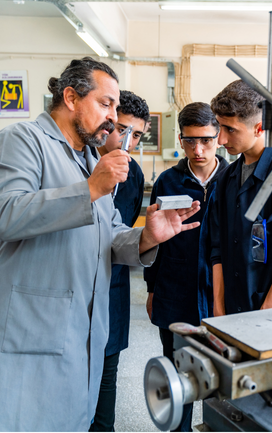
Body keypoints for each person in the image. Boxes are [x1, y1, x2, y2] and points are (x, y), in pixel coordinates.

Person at [0, 57, 200, 432]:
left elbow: (110, 238)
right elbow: (6, 214)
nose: (112, 117)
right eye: (106, 104)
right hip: (35, 330)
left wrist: (147, 236)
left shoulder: (92, 158)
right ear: (71, 97)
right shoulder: (23, 140)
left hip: (85, 331)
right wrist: (91, 188)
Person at [144, 102, 228, 431]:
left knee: (219, 381)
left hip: (219, 296)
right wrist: (152, 289)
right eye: (190, 141)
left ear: (219, 137)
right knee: (179, 377)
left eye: (206, 140)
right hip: (175, 292)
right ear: (180, 140)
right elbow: (156, 241)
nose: (198, 149)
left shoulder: (232, 180)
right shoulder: (168, 181)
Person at [209, 79, 272, 317]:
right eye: (219, 127)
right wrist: (218, 306)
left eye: (231, 130)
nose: (221, 140)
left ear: (259, 128)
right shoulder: (226, 179)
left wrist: (261, 318)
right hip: (233, 310)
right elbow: (217, 248)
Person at [90, 90, 149, 432]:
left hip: (112, 290)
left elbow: (120, 238)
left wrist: (147, 239)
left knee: (107, 374)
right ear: (106, 122)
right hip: (75, 290)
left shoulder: (134, 176)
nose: (128, 141)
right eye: (122, 129)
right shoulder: (78, 163)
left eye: (137, 135)